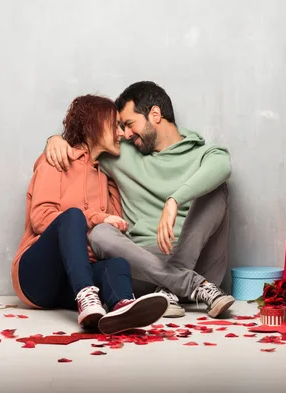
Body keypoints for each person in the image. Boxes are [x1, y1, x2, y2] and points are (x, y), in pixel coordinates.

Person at [44, 81, 235, 319]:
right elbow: (86, 146)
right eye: (121, 127)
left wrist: (174, 200)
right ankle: (186, 284)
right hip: (144, 268)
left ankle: (175, 282)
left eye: (129, 123)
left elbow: (223, 166)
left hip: (200, 262)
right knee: (100, 233)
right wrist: (56, 140)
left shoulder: (204, 154)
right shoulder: (121, 153)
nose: (124, 133)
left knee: (218, 190)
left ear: (155, 114)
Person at [11, 94, 169, 335]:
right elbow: (41, 217)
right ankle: (87, 296)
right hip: (36, 277)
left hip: (71, 283)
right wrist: (95, 217)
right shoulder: (58, 160)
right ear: (95, 123)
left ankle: (122, 308)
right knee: (73, 216)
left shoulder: (106, 179)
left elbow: (113, 232)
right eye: (115, 124)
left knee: (117, 264)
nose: (121, 133)